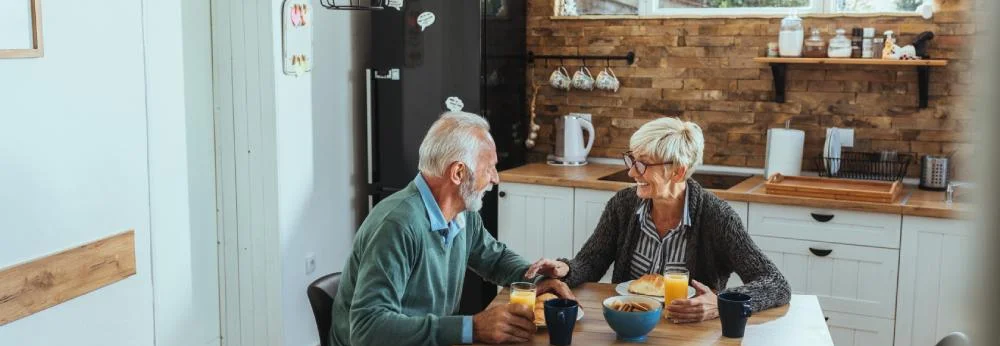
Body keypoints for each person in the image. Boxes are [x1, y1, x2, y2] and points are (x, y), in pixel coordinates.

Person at [329, 111, 574, 346]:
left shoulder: (462, 215)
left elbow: (495, 259)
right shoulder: (397, 225)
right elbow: (366, 330)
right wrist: (472, 327)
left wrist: (535, 278)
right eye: (489, 168)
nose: (495, 178)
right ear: (458, 172)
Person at [524, 117, 790, 323]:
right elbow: (591, 262)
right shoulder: (623, 205)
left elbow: (776, 283)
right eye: (631, 160)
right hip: (628, 326)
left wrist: (720, 302)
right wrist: (564, 268)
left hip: (687, 335)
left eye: (642, 164)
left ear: (678, 171)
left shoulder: (717, 217)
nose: (631, 171)